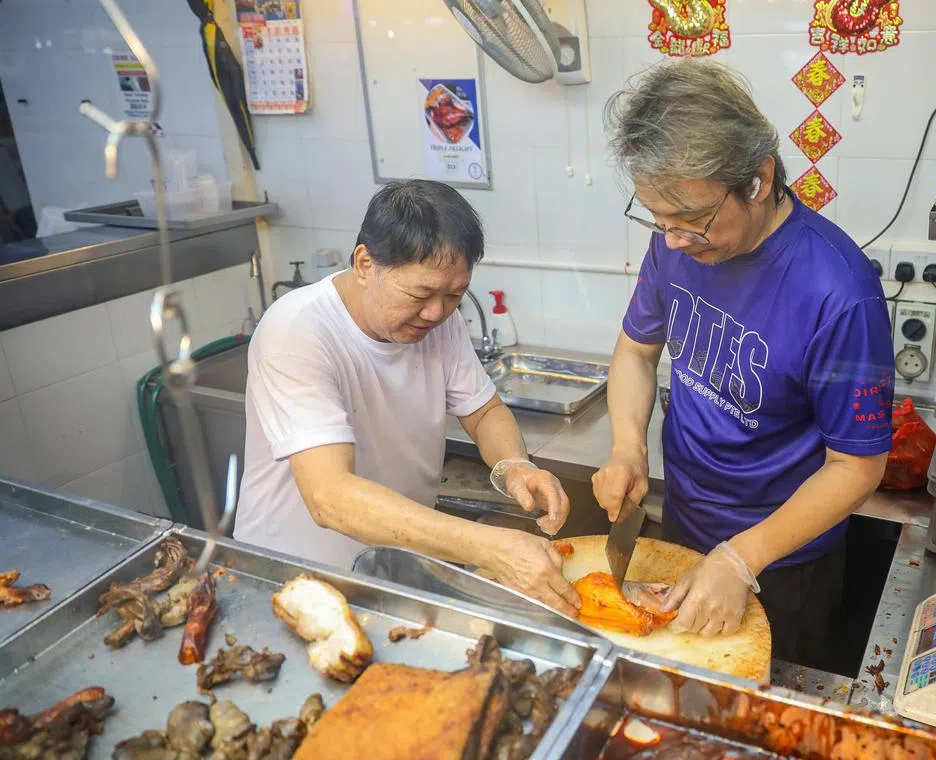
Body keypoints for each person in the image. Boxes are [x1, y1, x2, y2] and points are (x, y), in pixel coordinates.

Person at [592, 60, 895, 665]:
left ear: (758, 180)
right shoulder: (674, 242)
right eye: (659, 222)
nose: (673, 242)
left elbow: (858, 467)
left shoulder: (839, 291)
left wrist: (741, 558)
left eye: (692, 224)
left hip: (782, 560)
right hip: (682, 526)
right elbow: (635, 350)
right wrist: (628, 446)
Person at [235, 180, 580, 616]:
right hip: (296, 581)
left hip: (392, 572)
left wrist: (514, 466)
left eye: (454, 295)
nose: (436, 312)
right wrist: (488, 547)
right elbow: (330, 496)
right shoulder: (297, 331)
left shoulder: (435, 321)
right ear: (365, 264)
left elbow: (484, 410)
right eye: (421, 294)